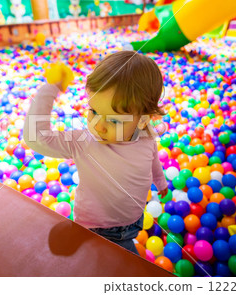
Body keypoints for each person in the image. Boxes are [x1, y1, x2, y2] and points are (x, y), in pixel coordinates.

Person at [23, 51, 168, 255]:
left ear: (143, 120)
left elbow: (152, 159)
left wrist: (160, 181)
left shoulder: (145, 135)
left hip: (135, 221)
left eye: (114, 120)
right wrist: (51, 88)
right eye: (94, 111)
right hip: (96, 229)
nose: (98, 126)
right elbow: (35, 137)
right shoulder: (83, 142)